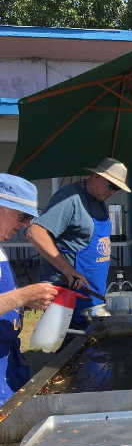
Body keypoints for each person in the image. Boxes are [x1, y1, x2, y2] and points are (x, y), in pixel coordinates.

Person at [28, 158, 130, 329]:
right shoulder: (70, 198)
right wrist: (68, 269)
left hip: (92, 295)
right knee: (69, 343)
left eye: (117, 189)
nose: (113, 192)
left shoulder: (98, 202)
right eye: (111, 186)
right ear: (96, 176)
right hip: (67, 296)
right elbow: (36, 232)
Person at [0, 174, 58, 405]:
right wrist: (22, 296)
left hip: (8, 363)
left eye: (30, 219)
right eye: (23, 216)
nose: (25, 225)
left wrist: (25, 301)